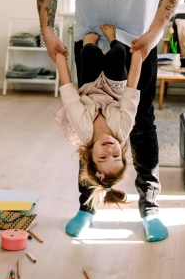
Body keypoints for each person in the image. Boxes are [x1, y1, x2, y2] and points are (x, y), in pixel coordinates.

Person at [35, 0, 185, 242]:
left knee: (143, 128)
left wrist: (154, 34)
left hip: (138, 43)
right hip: (91, 42)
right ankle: (86, 206)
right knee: (91, 136)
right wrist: (48, 29)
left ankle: (149, 206)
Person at [54, 25, 143, 211]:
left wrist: (59, 59)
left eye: (103, 157)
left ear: (91, 155)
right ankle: (112, 39)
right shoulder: (122, 129)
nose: (110, 149)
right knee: (117, 55)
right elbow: (131, 95)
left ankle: (89, 42)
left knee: (90, 53)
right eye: (116, 155)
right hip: (114, 92)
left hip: (91, 90)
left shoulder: (83, 131)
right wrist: (138, 57)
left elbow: (70, 96)